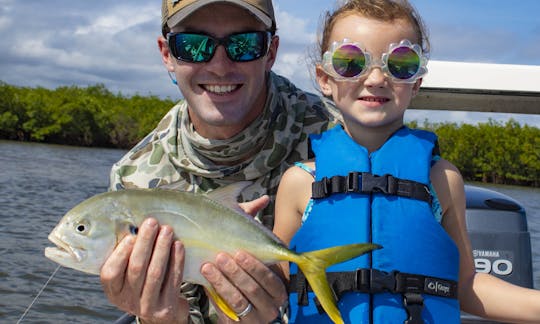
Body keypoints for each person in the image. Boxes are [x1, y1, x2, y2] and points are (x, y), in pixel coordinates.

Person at [273, 0, 540, 323]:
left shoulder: (442, 179)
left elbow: (466, 285)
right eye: (351, 62)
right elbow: (272, 282)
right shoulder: (299, 182)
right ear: (324, 78)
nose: (375, 78)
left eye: (400, 64)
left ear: (417, 81)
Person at [99, 0, 339, 323]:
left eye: (244, 45)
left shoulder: (339, 142)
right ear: (167, 54)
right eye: (193, 46)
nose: (220, 66)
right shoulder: (134, 179)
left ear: (270, 52)